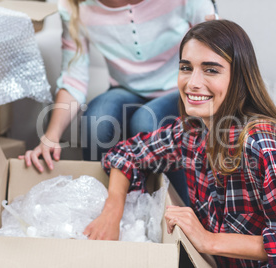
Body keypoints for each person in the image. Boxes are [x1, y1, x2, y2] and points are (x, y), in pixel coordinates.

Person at [84, 20, 276, 267]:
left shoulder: (263, 146)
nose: (193, 82)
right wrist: (113, 209)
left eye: (211, 70)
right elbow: (127, 153)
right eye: (186, 68)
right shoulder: (193, 133)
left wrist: (207, 239)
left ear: (238, 78)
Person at [19, 0, 215, 206]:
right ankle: (106, 207)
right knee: (96, 120)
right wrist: (51, 136)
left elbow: (218, 53)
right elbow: (73, 78)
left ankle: (184, 211)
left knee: (146, 123)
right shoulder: (76, 7)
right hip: (126, 90)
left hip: (180, 90)